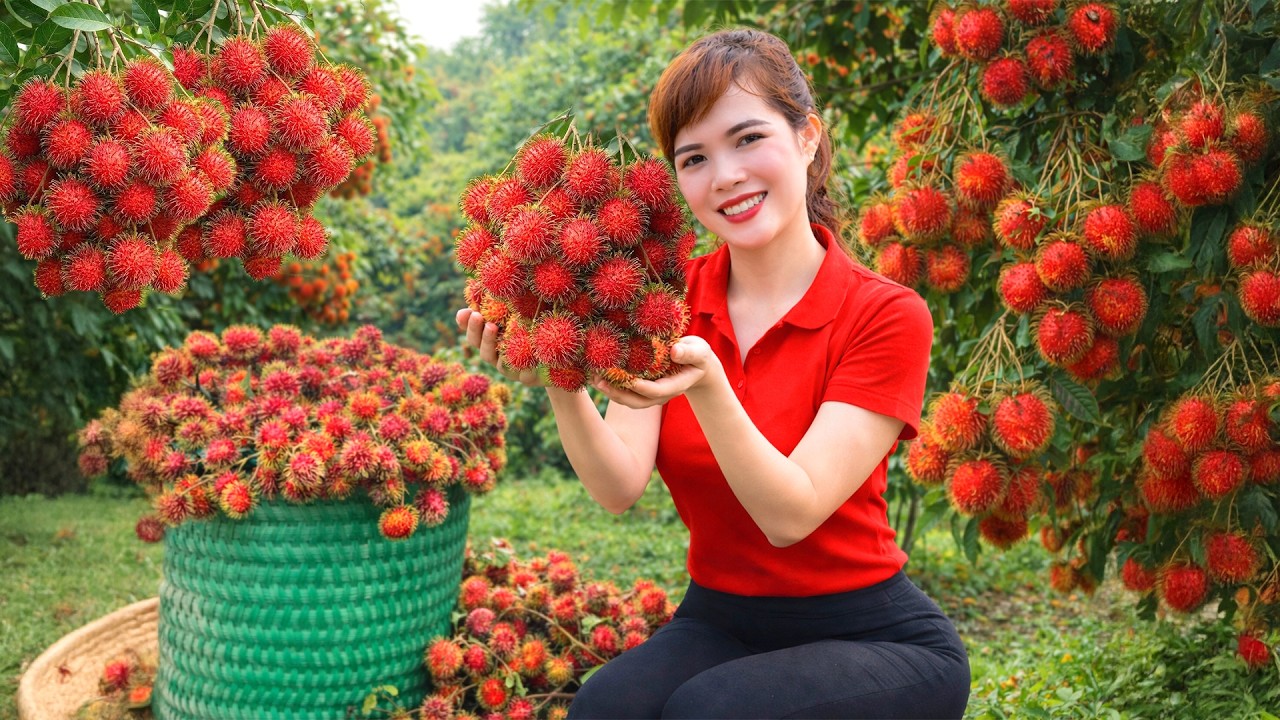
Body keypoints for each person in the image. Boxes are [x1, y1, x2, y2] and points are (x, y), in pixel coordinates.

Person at [456, 27, 970, 720]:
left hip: (874, 632)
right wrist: (559, 367)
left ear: (807, 137)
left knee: (712, 712)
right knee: (604, 709)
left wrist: (708, 383)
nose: (724, 175)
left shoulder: (886, 314)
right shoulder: (666, 303)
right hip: (720, 618)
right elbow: (617, 485)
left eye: (748, 139)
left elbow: (791, 514)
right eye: (694, 157)